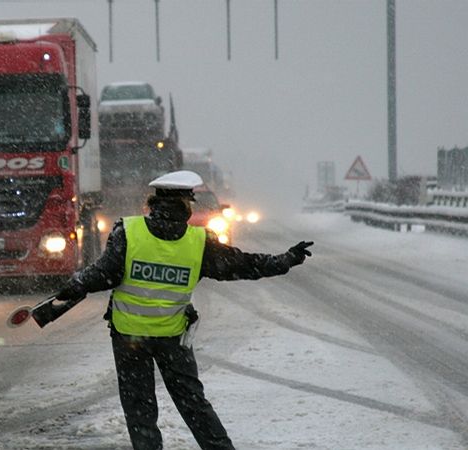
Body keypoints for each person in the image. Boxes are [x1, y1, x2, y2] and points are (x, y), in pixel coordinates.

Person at [54, 170, 313, 450]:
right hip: (172, 338)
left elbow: (104, 274)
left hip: (129, 338)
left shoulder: (128, 231)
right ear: (186, 206)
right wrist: (284, 260)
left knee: (139, 408)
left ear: (152, 203)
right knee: (193, 403)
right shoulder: (199, 242)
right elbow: (242, 264)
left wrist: (76, 283)